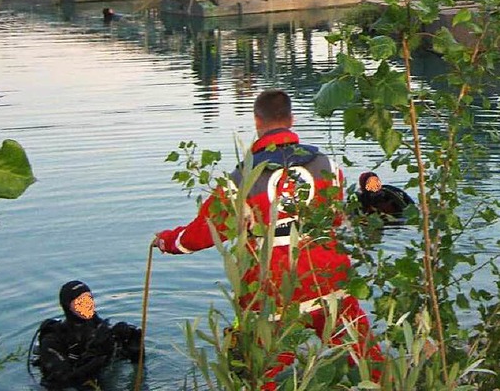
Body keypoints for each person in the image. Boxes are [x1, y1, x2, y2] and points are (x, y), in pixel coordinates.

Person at [154, 89, 383, 385]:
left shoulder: (242, 178)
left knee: (263, 376)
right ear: (292, 119)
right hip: (328, 279)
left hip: (273, 291)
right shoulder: (328, 166)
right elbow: (337, 220)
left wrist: (168, 241)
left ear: (256, 121)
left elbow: (202, 234)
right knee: (367, 357)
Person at [32, 280, 142, 390]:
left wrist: (134, 347)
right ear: (67, 306)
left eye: (89, 299)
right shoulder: (52, 339)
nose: (88, 305)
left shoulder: (97, 325)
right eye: (80, 302)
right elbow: (63, 380)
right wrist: (99, 353)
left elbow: (129, 363)